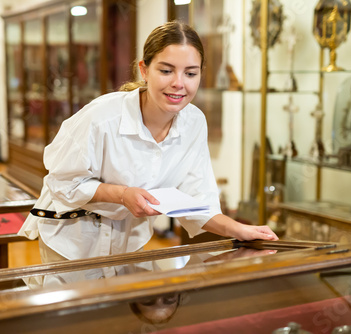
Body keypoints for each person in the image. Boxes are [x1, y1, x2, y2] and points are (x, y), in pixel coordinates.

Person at [18, 21, 278, 264]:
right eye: (166, 71)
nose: (178, 83)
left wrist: (241, 229)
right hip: (71, 238)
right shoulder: (101, 117)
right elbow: (63, 182)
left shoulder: (194, 122)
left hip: (128, 241)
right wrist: (122, 194)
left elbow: (198, 200)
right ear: (144, 70)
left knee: (120, 310)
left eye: (190, 73)